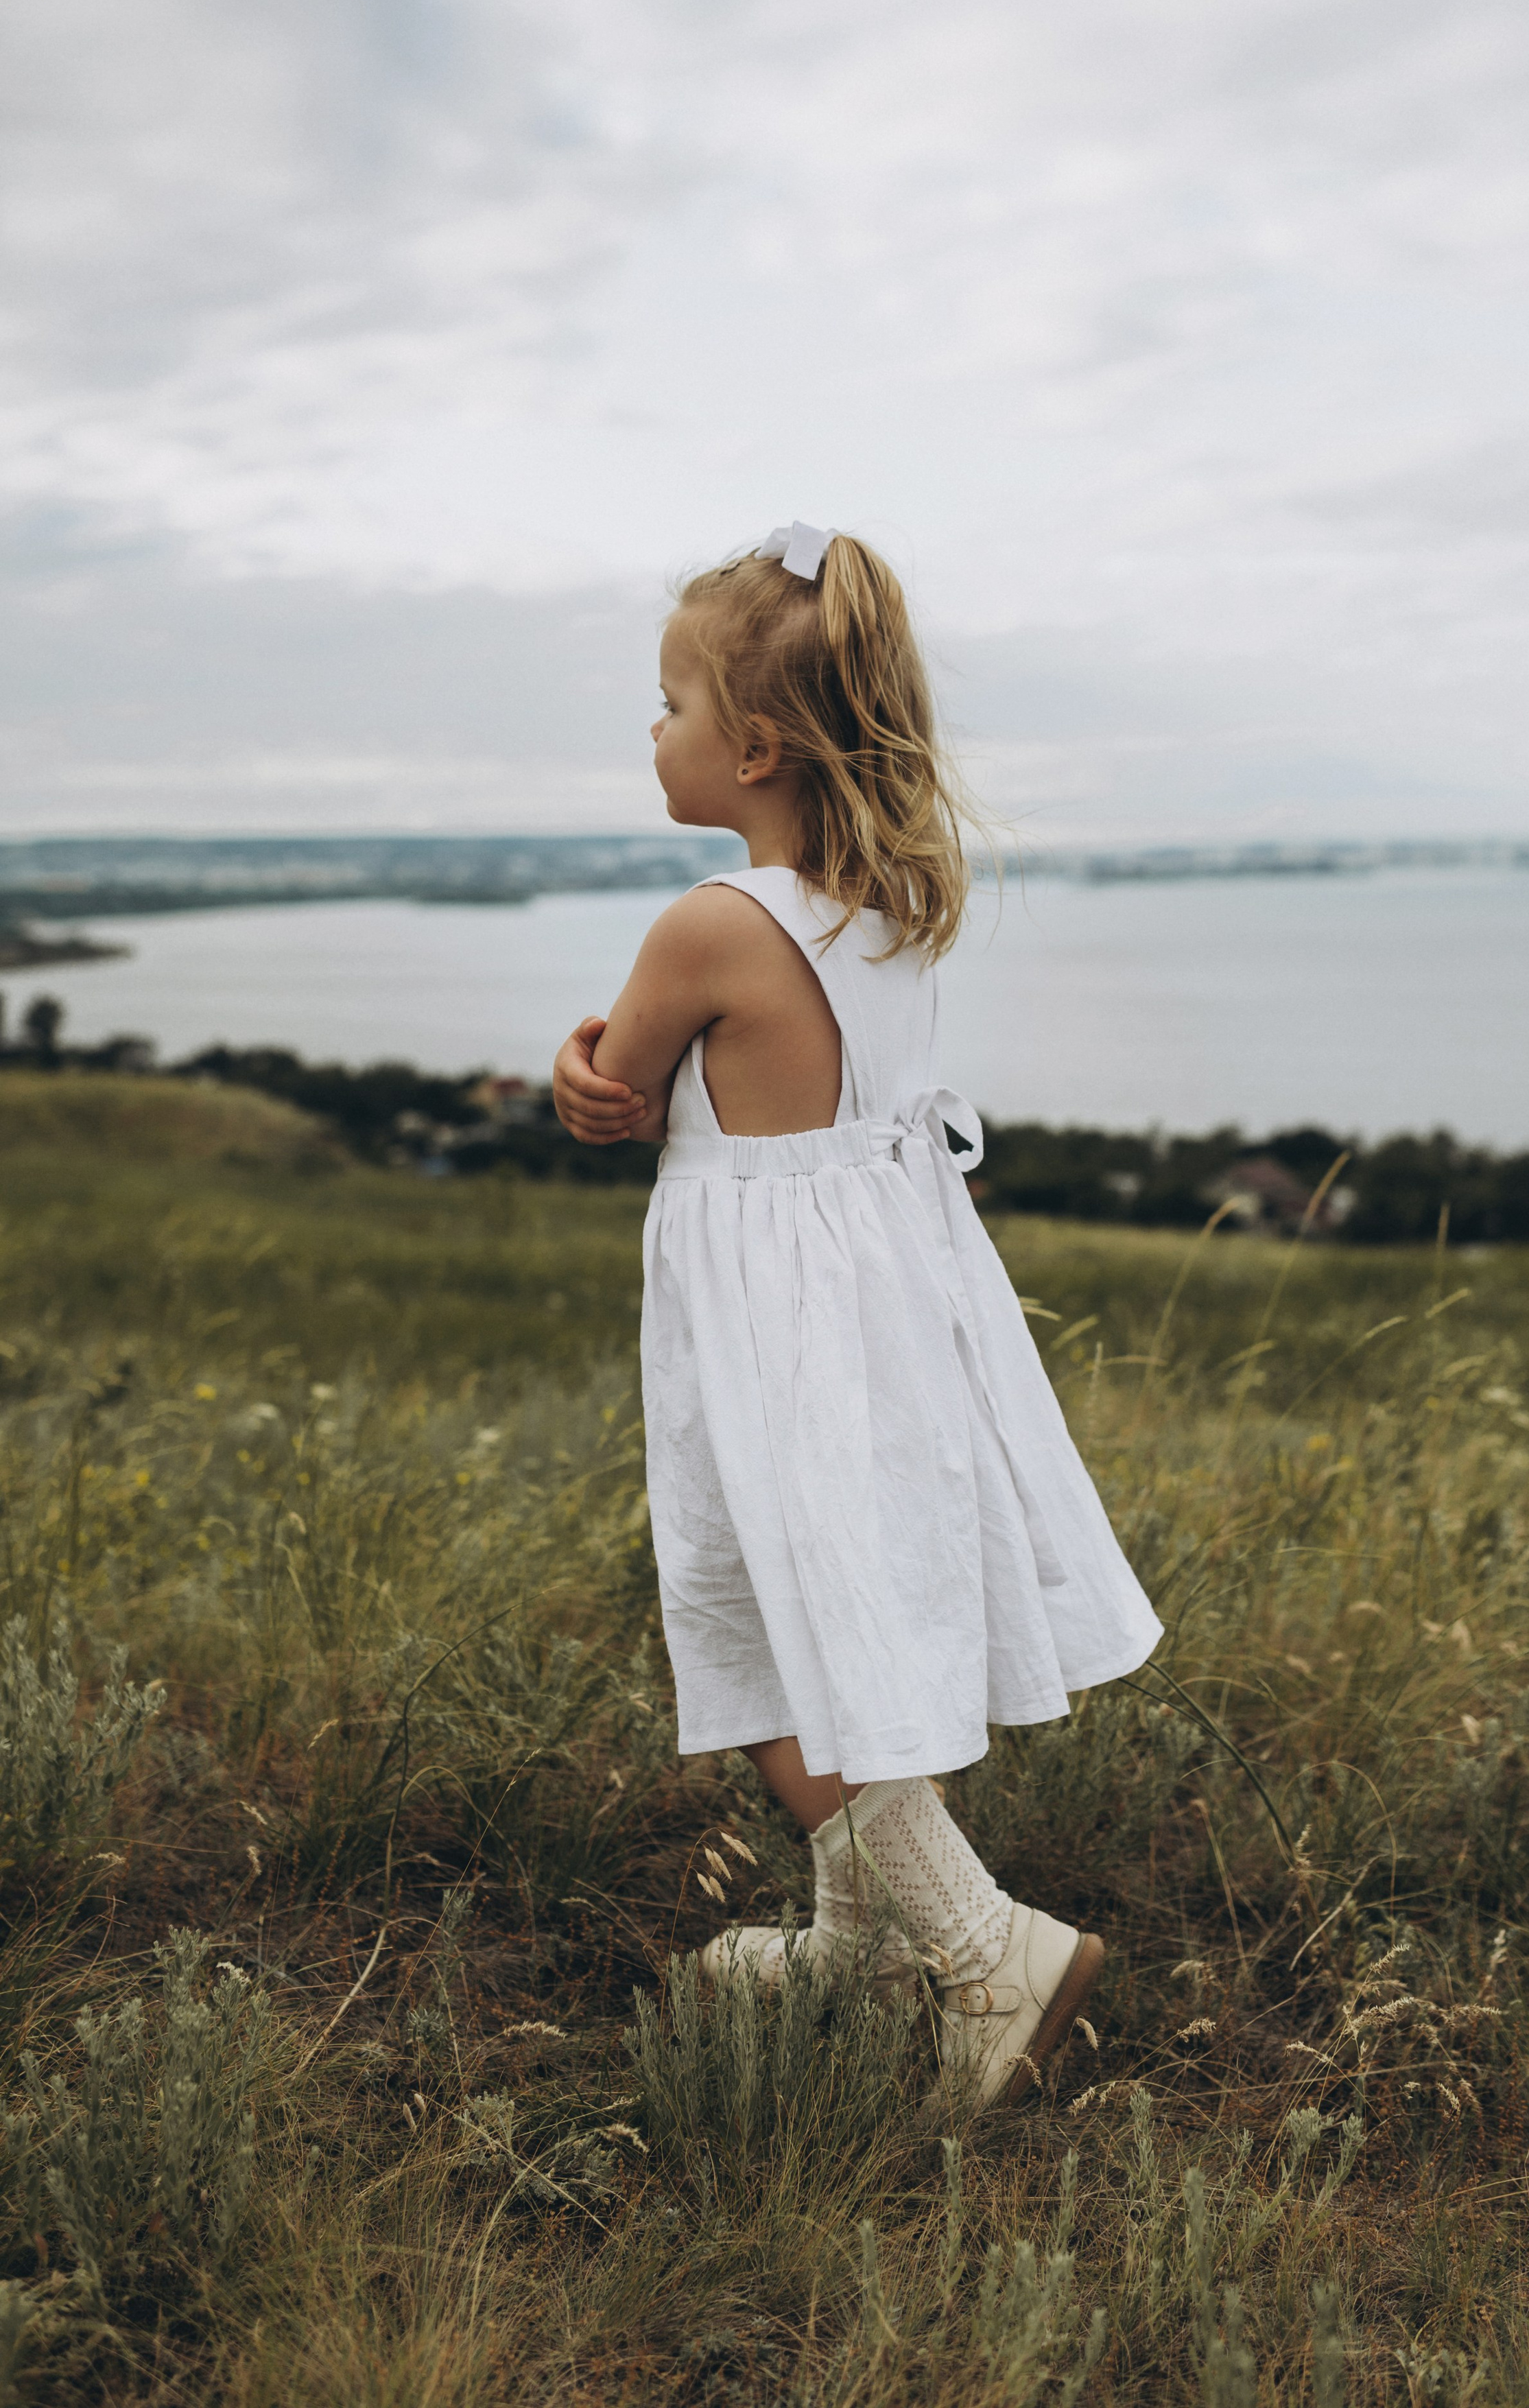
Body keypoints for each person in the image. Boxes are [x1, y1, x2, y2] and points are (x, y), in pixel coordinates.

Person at [552, 521, 1163, 2105]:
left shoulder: (711, 919)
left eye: (670, 702)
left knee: (762, 1620)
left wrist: (579, 1067)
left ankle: (982, 1947)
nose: (655, 730)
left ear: (751, 747)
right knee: (849, 1608)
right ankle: (863, 1937)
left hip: (772, 1324)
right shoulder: (892, 904)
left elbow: (614, 1089)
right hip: (891, 1293)